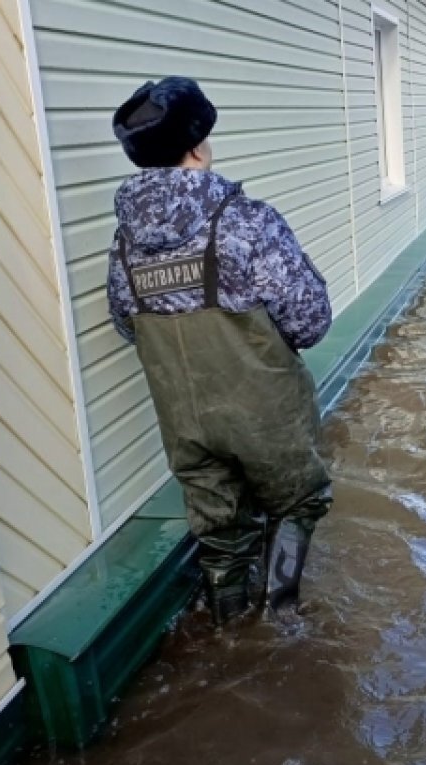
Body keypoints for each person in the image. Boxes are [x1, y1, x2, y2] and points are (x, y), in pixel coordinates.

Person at [108, 77, 333, 623]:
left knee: (219, 524)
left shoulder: (125, 241)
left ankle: (230, 629)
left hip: (182, 413)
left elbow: (126, 322)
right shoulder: (248, 221)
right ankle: (281, 622)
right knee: (298, 501)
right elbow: (310, 321)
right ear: (198, 147)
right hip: (264, 411)